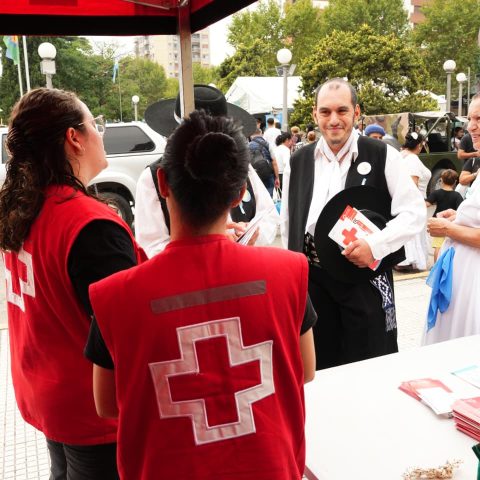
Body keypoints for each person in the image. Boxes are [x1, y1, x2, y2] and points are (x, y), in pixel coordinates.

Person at [85, 110, 316, 479]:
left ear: (162, 183)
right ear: (240, 193)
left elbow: (107, 404)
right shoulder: (288, 273)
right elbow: (305, 369)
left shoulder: (114, 297)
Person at [0, 88, 146, 479]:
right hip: (92, 411)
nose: (100, 132)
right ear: (74, 137)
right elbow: (127, 329)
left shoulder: (25, 207)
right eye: (95, 123)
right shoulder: (88, 224)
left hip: (47, 395)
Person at [281, 78, 426, 370]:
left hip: (362, 278)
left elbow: (414, 213)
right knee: (320, 362)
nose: (334, 120)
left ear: (356, 113)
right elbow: (289, 220)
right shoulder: (298, 161)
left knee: (369, 360)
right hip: (313, 281)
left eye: (342, 111)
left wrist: (375, 245)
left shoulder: (382, 155)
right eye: (325, 112)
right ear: (315, 114)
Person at [135, 86, 279, 258]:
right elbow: (151, 246)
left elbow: (268, 216)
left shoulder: (242, 167)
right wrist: (212, 245)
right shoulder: (152, 177)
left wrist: (250, 234)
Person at [394, 132, 432, 272]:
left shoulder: (401, 156)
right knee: (414, 231)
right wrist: (417, 203)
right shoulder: (412, 159)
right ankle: (408, 260)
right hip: (415, 200)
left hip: (404, 200)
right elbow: (412, 184)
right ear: (419, 145)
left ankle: (407, 260)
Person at [425, 169, 463, 262]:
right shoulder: (457, 195)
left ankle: (435, 265)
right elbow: (461, 210)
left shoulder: (436, 193)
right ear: (455, 182)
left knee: (438, 246)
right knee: (449, 246)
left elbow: (427, 204)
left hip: (439, 222)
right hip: (452, 224)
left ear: (441, 180)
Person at [248, 128, 280, 197]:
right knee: (269, 194)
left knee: (257, 195)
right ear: (261, 133)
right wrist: (277, 177)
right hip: (268, 173)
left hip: (255, 174)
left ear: (251, 135)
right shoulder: (267, 144)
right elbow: (274, 162)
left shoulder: (248, 145)